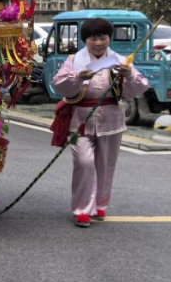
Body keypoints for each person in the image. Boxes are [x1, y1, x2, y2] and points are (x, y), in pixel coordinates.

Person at [52, 18, 149, 228]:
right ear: (85, 40)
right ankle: (82, 210)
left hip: (111, 121)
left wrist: (129, 75)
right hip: (79, 121)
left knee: (106, 165)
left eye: (103, 38)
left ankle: (99, 205)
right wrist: (77, 77)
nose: (98, 43)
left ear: (109, 38)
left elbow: (139, 88)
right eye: (93, 39)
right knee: (83, 162)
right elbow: (58, 85)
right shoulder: (74, 60)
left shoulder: (121, 61)